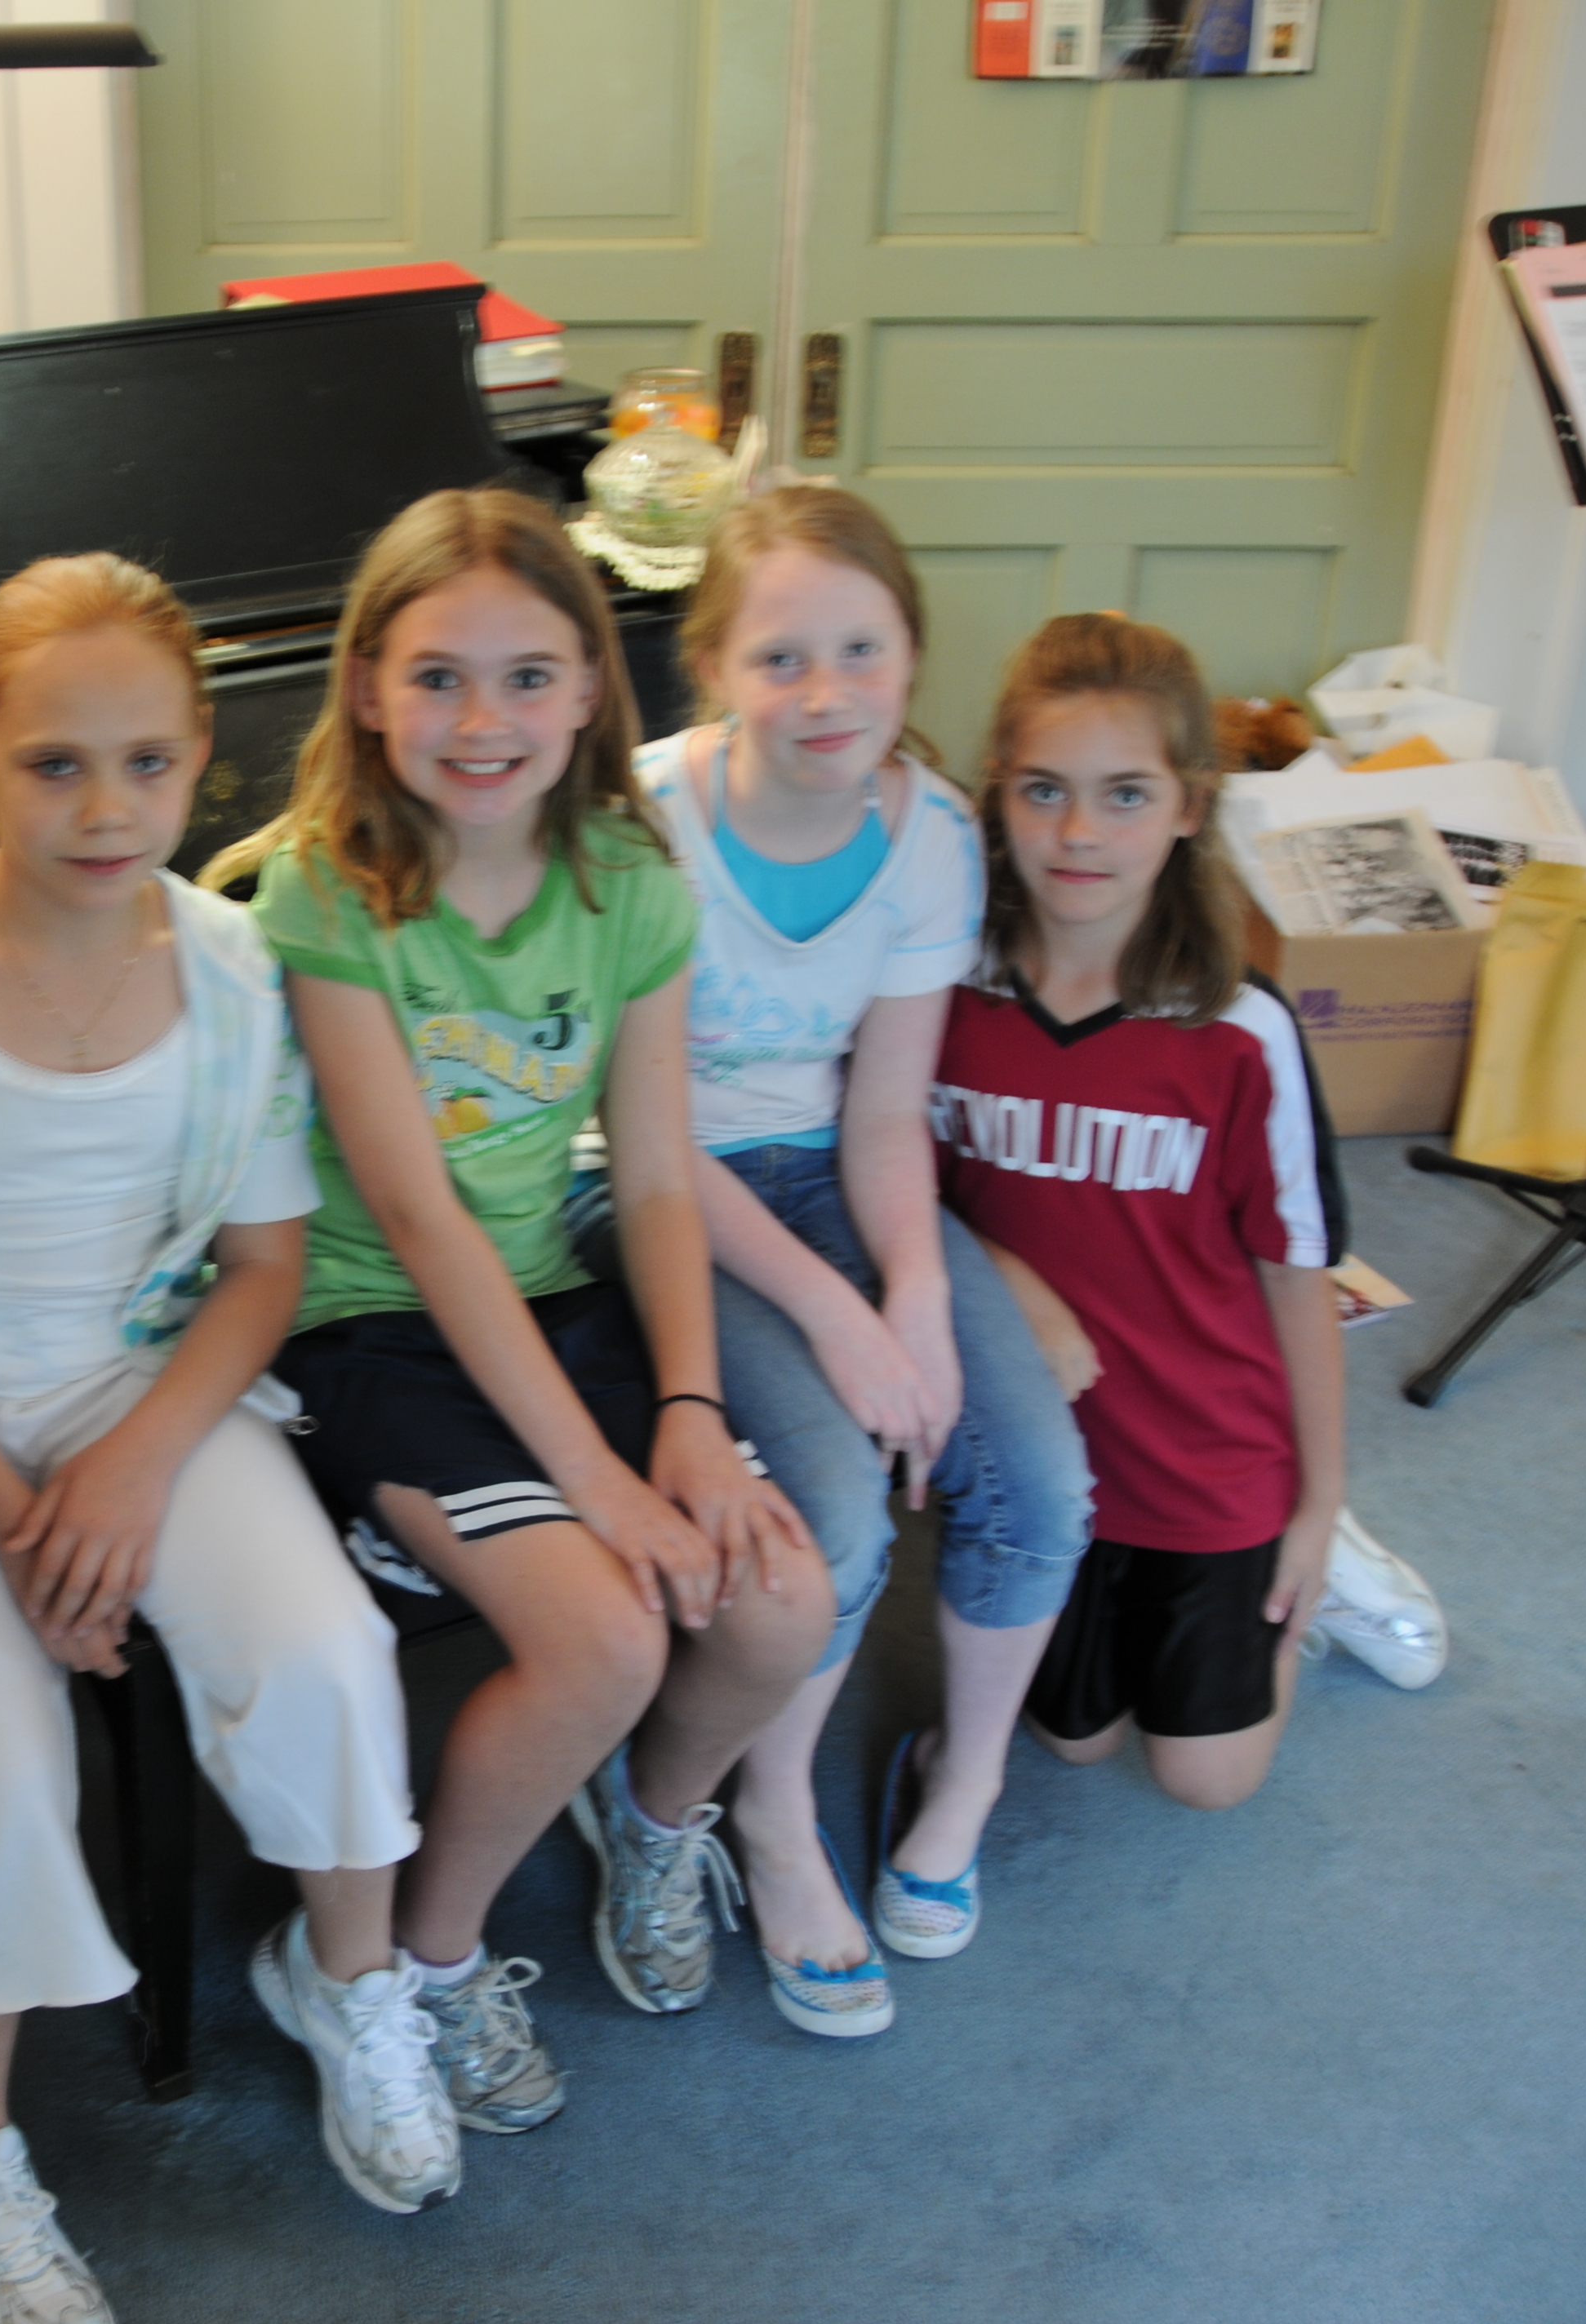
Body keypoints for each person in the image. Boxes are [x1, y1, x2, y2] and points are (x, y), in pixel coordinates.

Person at [208, 487, 831, 2135]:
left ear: (589, 691)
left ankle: (655, 1820)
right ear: (366, 688)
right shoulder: (322, 893)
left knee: (777, 1603)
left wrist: (686, 1417)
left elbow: (656, 1178)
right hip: (365, 1323)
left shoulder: (628, 880)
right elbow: (417, 1219)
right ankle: (416, 1956)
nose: (482, 720)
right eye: (437, 677)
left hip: (549, 1293)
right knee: (604, 1631)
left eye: (527, 676)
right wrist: (603, 1483)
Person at [0, 553, 441, 2316]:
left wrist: (127, 1473)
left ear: (201, 755)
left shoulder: (231, 965)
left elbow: (261, 1265)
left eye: (147, 763)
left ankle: (349, 1977)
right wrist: (16, 1525)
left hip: (157, 1387)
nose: (106, 809)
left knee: (328, 1648)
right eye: (54, 764)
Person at [619, 487, 1093, 2032]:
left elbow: (886, 1111)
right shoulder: (646, 825)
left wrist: (919, 1301)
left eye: (862, 651)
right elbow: (649, 1137)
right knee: (834, 1513)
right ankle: (770, 1814)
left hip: (832, 1163)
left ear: (911, 656)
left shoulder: (933, 834)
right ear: (713, 667)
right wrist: (840, 1317)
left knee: (1038, 1482)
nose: (827, 693)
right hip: (656, 1184)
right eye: (780, 658)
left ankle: (965, 1781)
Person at [935, 612, 1344, 1811]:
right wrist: (1007, 1273)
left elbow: (1299, 1272)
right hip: (1040, 1459)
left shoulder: (1239, 1030)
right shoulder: (940, 987)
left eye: (1125, 795)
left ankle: (1332, 1570)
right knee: (1073, 1744)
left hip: (1209, 1460)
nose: (1078, 833)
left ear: (1190, 806)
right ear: (998, 793)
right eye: (1044, 790)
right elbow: (880, 1186)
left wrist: (1321, 1505)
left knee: (1207, 1780)